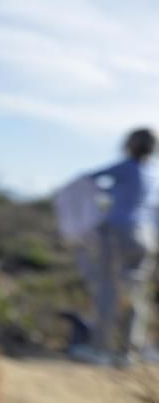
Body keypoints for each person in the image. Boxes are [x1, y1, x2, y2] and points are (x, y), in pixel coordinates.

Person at [69, 127, 158, 367]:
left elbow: (87, 179)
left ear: (130, 144)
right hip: (147, 237)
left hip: (119, 232)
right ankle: (128, 352)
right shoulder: (152, 173)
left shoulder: (125, 167)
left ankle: (100, 348)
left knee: (109, 289)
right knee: (135, 294)